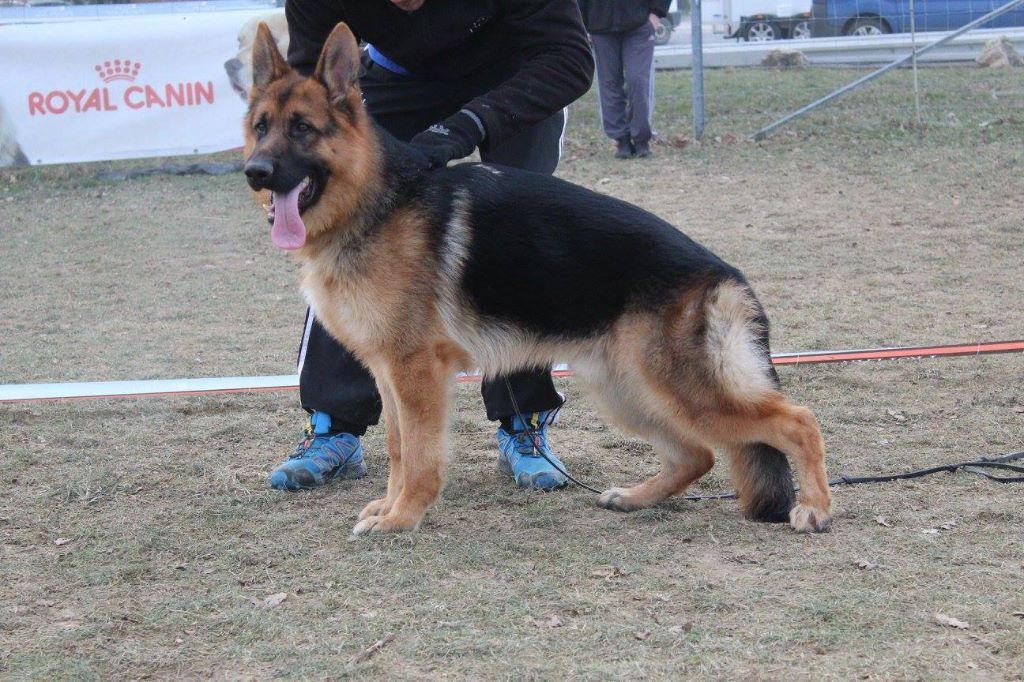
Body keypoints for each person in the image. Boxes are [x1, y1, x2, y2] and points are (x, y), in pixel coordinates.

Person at [269, 0, 595, 493]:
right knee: (351, 241)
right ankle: (333, 426)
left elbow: (569, 59)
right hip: (397, 77)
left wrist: (466, 125)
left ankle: (522, 423)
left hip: (518, 72)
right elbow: (306, 86)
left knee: (515, 237)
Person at [578, 0, 670, 159]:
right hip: (600, 26)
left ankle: (641, 138)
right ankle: (621, 140)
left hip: (639, 25)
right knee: (609, 84)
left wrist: (656, 13)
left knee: (638, 81)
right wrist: (582, 24)